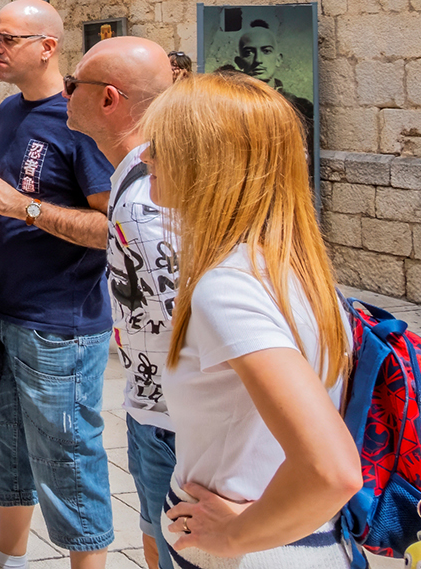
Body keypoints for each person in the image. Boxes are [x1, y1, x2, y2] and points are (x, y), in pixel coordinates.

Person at [145, 73, 361, 567]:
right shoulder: (290, 267)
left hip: (251, 549)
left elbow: (332, 469)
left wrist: (234, 538)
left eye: (161, 144)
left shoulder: (229, 286)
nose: (146, 156)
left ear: (209, 162)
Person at [0, 0, 116, 569]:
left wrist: (23, 207)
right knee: (3, 443)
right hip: (0, 307)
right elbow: (11, 203)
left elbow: (110, 229)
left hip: (61, 324)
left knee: (68, 457)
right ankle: (9, 557)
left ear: (47, 47)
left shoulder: (83, 122)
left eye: (8, 38)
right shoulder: (9, 112)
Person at [63, 37, 176, 569]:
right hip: (157, 406)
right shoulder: (140, 174)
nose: (65, 94)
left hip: (175, 419)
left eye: (73, 85)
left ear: (108, 99)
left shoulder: (145, 197)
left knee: (169, 547)